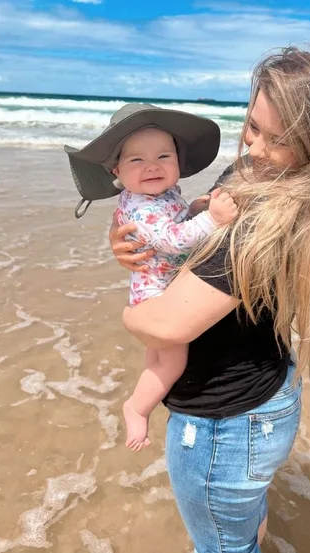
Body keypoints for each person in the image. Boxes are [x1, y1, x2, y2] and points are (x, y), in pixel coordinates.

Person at [107, 46, 310, 551]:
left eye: (278, 139)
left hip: (225, 424)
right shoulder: (261, 178)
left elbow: (168, 326)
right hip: (265, 392)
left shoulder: (262, 219)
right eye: (253, 127)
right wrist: (134, 249)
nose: (256, 149)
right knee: (242, 526)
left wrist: (130, 315)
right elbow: (186, 240)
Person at [65, 105, 237, 452]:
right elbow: (171, 239)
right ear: (116, 171)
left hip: (154, 287)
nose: (152, 166)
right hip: (157, 294)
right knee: (173, 362)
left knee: (157, 359)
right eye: (137, 160)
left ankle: (143, 399)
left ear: (178, 161)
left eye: (163, 156)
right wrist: (213, 220)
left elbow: (173, 223)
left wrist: (194, 210)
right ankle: (138, 407)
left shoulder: (159, 194)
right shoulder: (142, 206)